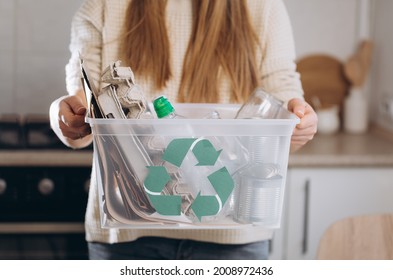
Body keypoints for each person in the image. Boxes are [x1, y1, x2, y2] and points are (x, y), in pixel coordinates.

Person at [49, 0, 318, 260]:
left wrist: (299, 120)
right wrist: (64, 114)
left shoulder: (263, 6)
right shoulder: (105, 6)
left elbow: (283, 100)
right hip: (128, 231)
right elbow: (83, 100)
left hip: (234, 235)